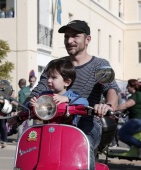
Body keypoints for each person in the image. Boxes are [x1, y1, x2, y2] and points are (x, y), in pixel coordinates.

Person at [25, 20, 118, 170]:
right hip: (53, 121)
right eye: (66, 36)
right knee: (32, 151)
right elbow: (38, 90)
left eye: (75, 36)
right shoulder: (55, 65)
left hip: (86, 122)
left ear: (88, 39)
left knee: (83, 149)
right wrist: (28, 104)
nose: (69, 40)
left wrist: (107, 106)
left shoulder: (99, 64)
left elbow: (111, 89)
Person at [29, 58, 89, 126]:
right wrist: (32, 103)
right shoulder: (44, 96)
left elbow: (85, 102)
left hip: (67, 132)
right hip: (47, 130)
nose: (49, 80)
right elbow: (30, 106)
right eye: (48, 77)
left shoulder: (71, 96)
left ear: (67, 82)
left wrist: (67, 99)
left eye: (54, 77)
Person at [117, 79, 141, 157]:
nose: (127, 88)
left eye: (128, 86)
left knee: (121, 134)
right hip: (137, 120)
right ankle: (134, 151)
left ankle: (139, 145)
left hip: (136, 120)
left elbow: (126, 105)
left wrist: (112, 109)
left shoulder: (136, 95)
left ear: (132, 87)